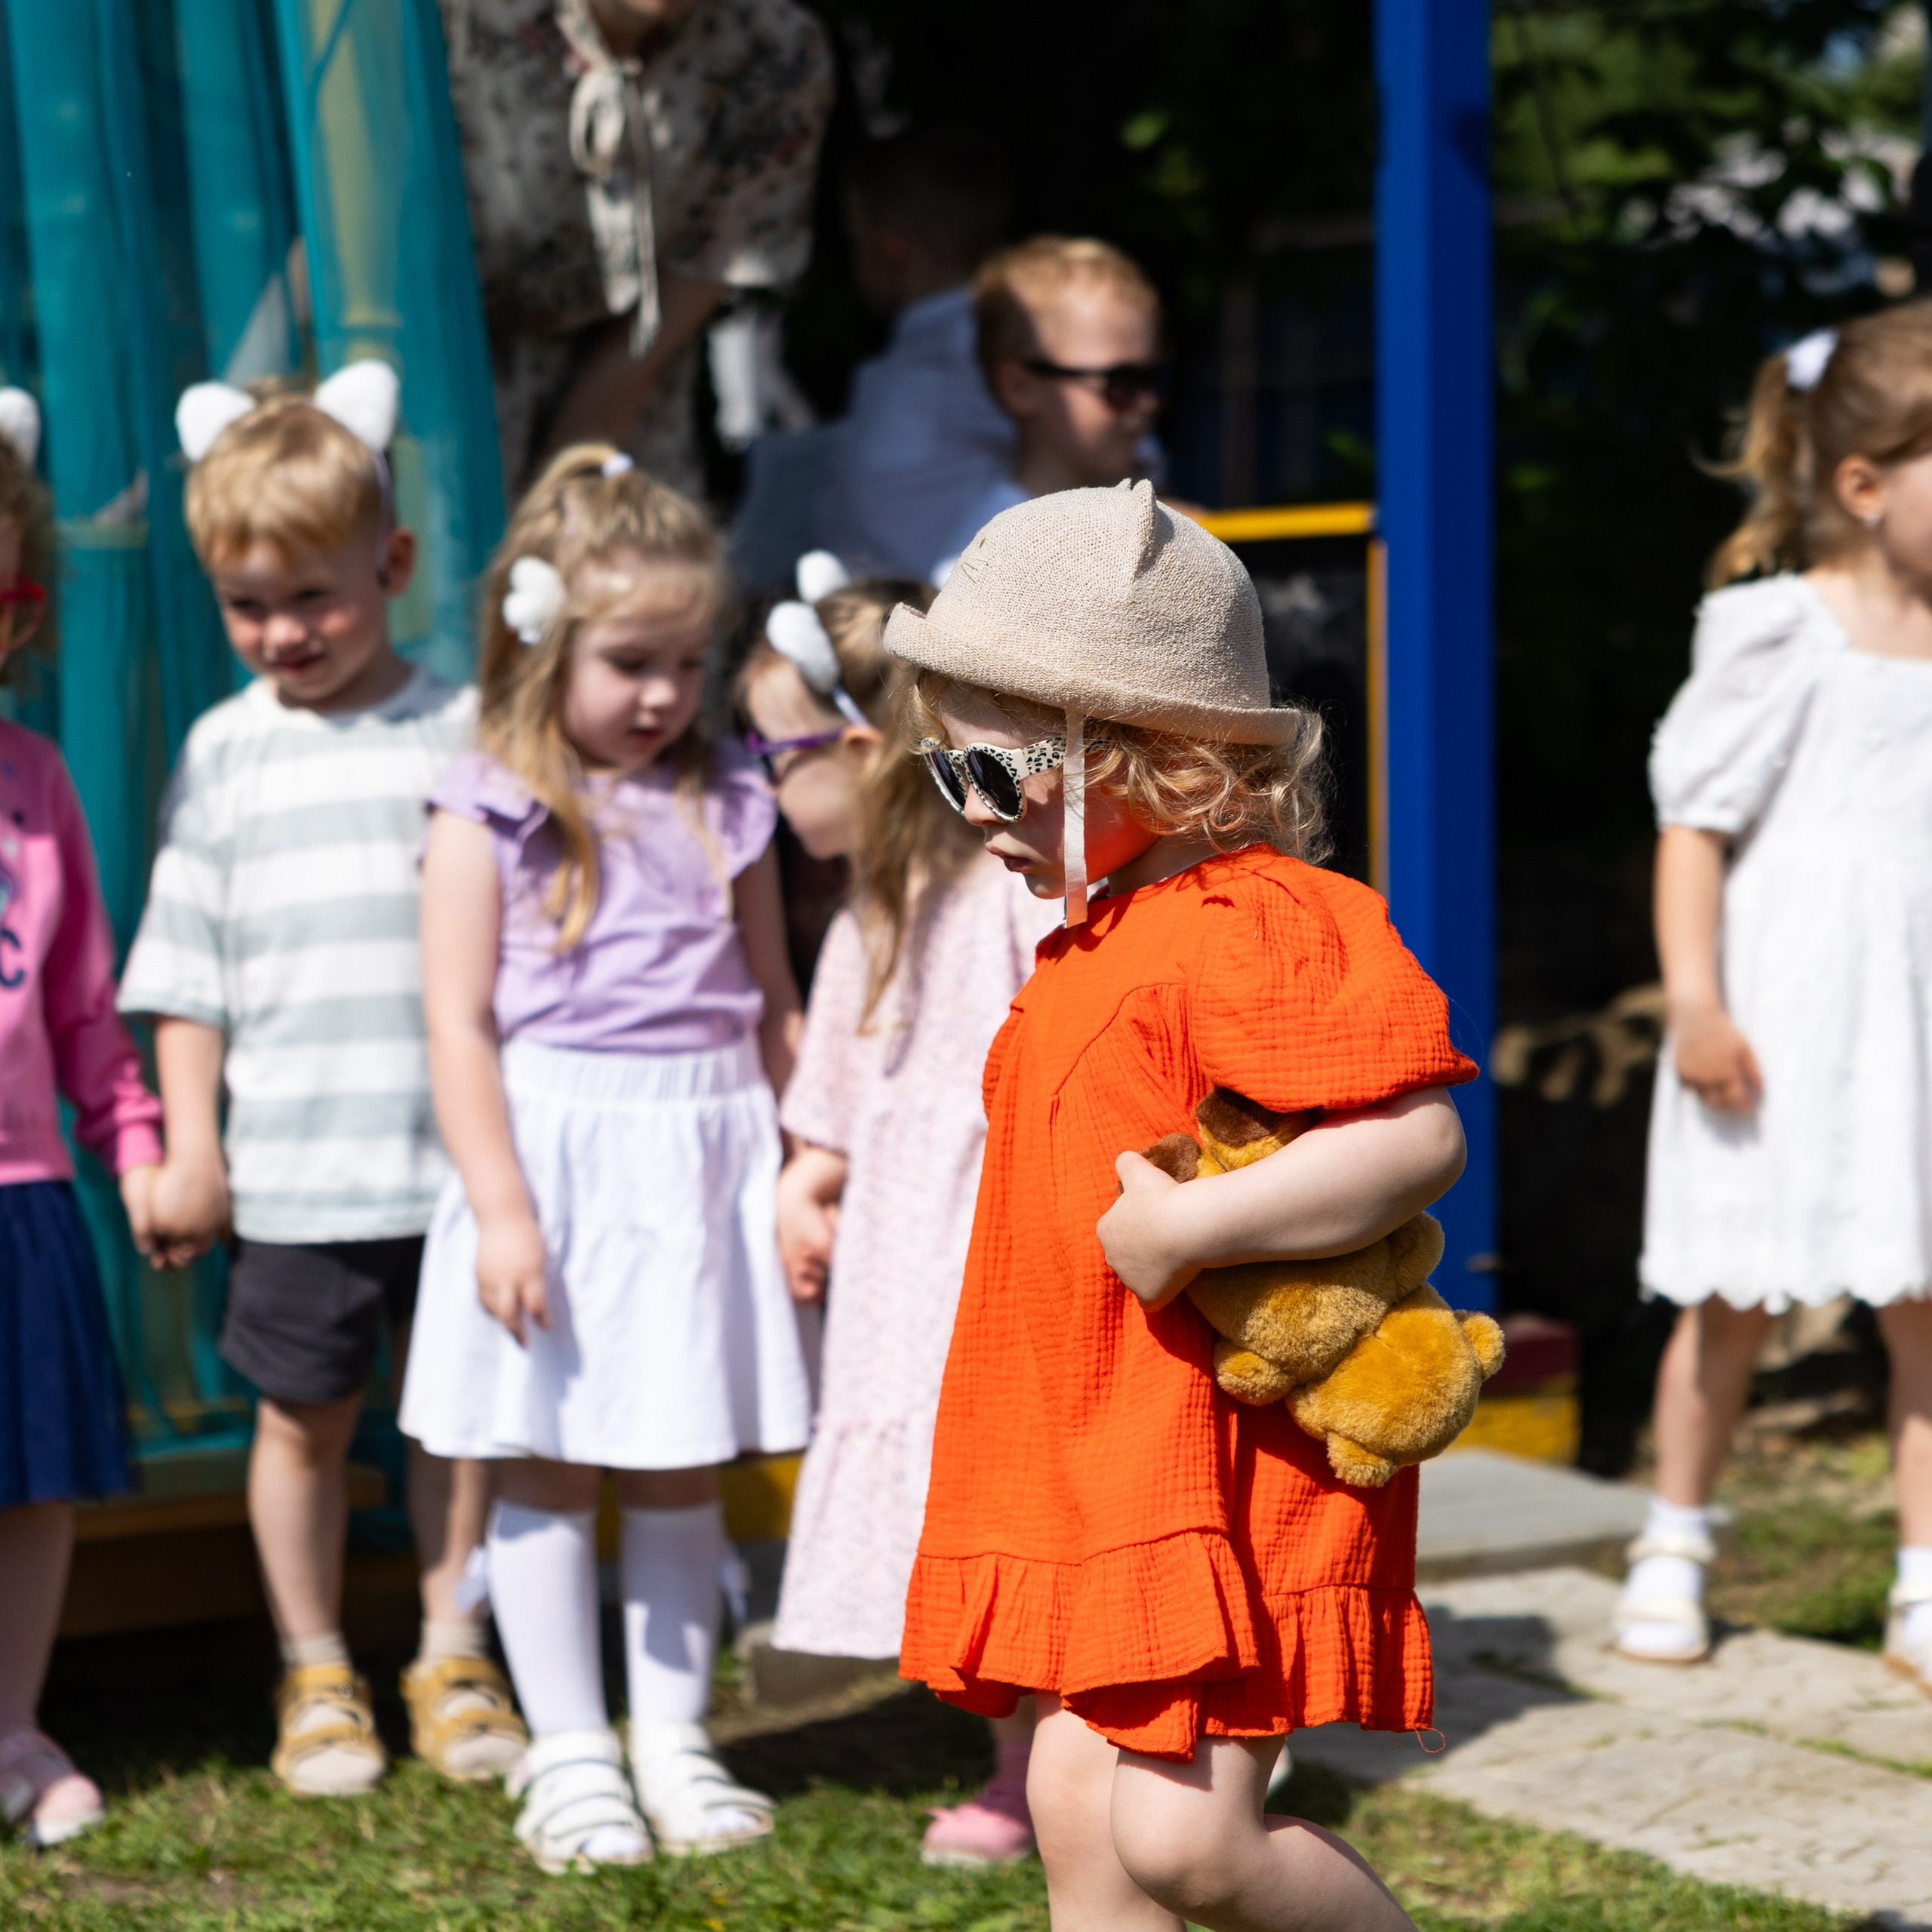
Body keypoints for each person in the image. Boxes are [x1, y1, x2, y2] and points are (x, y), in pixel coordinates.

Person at [888, 481, 1470, 1932]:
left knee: (1190, 1845)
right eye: (940, 774)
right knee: (1084, 1818)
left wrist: (1199, 1230)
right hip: (1108, 1457)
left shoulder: (1252, 924)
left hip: (1229, 1470)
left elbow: (1417, 1138)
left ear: (1149, 755)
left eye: (988, 773)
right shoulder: (1092, 943)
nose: (965, 812)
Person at [398, 448, 811, 1872]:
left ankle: (676, 1739)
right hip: (562, 1166)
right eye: (632, 662)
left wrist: (808, 1156)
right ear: (540, 642)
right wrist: (505, 1213)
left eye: (688, 663)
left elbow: (771, 1005)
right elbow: (457, 1025)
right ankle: (572, 1751)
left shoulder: (730, 797)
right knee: (555, 1467)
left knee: (686, 1463)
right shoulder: (488, 805)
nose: (663, 695)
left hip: (705, 1159)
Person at [118, 368, 524, 1798]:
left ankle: (453, 1645)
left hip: (458, 1170)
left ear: (394, 566)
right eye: (247, 602)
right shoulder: (225, 753)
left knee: (458, 1417)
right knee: (301, 1422)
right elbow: (188, 971)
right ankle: (313, 1668)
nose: (281, 632)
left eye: (315, 598)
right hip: (295, 1169)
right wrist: (187, 1145)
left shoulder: (465, 731)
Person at [1623, 305, 1932, 1678]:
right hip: (1783, 1017)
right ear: (1865, 486)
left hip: (1911, 1026)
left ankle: (1926, 1578)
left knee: (1924, 1296)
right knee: (1731, 1288)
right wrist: (1694, 1002)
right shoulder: (1775, 634)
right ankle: (1675, 1540)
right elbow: (1696, 824)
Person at [737, 556, 1058, 1865]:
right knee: (960, 1514)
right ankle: (1014, 1755)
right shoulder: (875, 905)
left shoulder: (1004, 886)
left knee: (1022, 1503)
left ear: (862, 747)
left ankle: (1051, 1763)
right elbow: (843, 1088)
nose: (764, 786)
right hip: (902, 1269)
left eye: (777, 755)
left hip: (995, 1253)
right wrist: (810, 1178)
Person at [0, 392, 163, 1850]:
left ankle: (14, 1725)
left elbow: (85, 1004)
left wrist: (139, 1143)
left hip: (23, 1193)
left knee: (33, 1476)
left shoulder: (38, 783)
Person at [440, 0, 834, 499]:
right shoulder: (451, 15)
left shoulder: (773, 46)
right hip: (438, 360)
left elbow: (716, 257)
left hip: (629, 381)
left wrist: (568, 470)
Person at [796, 126, 1017, 583]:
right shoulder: (954, 338)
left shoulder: (969, 344)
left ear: (890, 247)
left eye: (856, 243)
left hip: (934, 608)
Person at [925, 237, 1170, 583]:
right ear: (1020, 388)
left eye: (1153, 378)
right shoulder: (983, 563)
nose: (1147, 402)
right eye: (1122, 381)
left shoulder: (1146, 517)